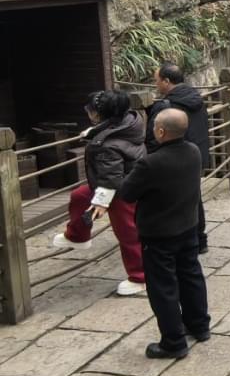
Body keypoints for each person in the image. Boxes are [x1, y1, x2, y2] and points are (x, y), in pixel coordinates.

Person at [118, 108, 210, 359]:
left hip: (159, 233)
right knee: (191, 275)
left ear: (160, 131)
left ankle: (173, 341)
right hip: (188, 226)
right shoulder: (193, 151)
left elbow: (127, 193)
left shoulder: (151, 163)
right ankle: (199, 325)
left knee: (163, 287)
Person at [52, 90, 146, 296]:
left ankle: (140, 277)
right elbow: (108, 131)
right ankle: (78, 236)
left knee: (128, 232)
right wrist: (92, 133)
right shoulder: (131, 120)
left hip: (120, 190)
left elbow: (110, 177)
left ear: (97, 114)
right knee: (79, 196)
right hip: (116, 181)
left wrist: (101, 202)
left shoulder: (108, 145)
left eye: (89, 110)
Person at [146, 63, 211, 254]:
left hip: (173, 158)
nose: (156, 84)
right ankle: (200, 239)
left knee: (172, 201)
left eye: (157, 80)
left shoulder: (166, 106)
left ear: (166, 81)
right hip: (196, 154)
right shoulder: (195, 97)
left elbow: (153, 138)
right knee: (193, 197)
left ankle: (183, 241)